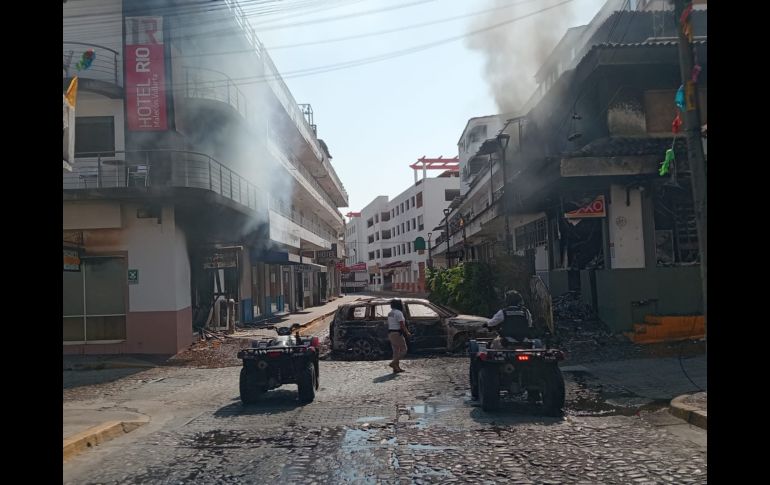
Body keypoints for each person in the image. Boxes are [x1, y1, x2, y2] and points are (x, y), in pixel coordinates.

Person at [387, 299, 411, 373]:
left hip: (390, 333)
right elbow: (402, 324)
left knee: (396, 351)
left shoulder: (390, 313)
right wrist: (407, 332)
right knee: (404, 350)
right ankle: (393, 363)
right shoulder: (399, 313)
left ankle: (396, 368)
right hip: (397, 333)